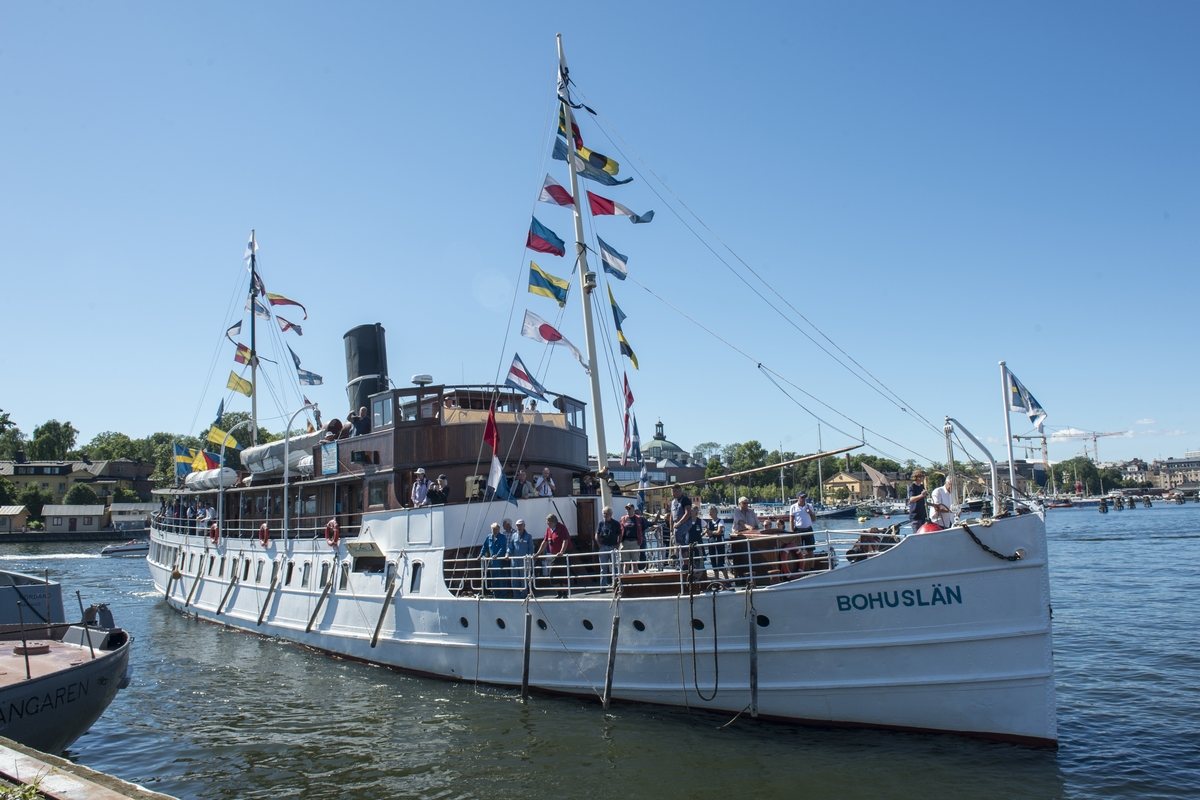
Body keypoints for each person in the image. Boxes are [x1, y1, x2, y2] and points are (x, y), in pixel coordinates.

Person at [534, 513, 574, 595]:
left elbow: (565, 540)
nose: (548, 525)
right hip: (554, 554)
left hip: (563, 554)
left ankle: (565, 593)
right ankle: (558, 592)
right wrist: (538, 553)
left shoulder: (561, 527)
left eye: (549, 523)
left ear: (554, 522)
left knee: (564, 572)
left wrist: (562, 551)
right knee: (553, 572)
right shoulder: (548, 530)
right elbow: (545, 542)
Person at [479, 522, 509, 597]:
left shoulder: (502, 537)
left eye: (496, 529)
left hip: (500, 561)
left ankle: (503, 594)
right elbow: (485, 547)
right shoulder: (489, 537)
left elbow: (503, 547)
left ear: (499, 529)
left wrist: (497, 555)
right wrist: (480, 555)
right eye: (493, 529)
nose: (494, 531)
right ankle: (496, 594)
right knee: (494, 578)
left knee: (501, 578)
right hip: (492, 562)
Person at [508, 519, 535, 595]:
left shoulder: (528, 536)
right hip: (515, 561)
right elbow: (510, 547)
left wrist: (529, 558)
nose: (518, 527)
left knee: (524, 579)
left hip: (524, 561)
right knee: (514, 579)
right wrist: (507, 553)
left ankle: (525, 594)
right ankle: (516, 595)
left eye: (520, 525)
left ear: (524, 526)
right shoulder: (514, 535)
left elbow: (531, 549)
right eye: (517, 526)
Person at [790, 491, 816, 569]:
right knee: (798, 551)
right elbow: (791, 520)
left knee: (810, 551)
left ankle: (812, 568)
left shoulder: (809, 506)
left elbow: (814, 519)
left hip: (808, 530)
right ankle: (799, 568)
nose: (803, 499)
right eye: (801, 497)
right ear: (798, 498)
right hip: (798, 530)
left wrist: (811, 513)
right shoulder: (793, 507)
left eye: (804, 497)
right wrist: (792, 532)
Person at [595, 506, 621, 588]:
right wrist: (598, 544)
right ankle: (603, 586)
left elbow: (620, 534)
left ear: (610, 514)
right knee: (603, 568)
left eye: (606, 513)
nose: (604, 515)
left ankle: (616, 585)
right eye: (603, 513)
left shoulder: (616, 523)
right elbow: (597, 534)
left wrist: (618, 544)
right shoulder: (601, 523)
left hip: (613, 547)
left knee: (615, 567)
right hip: (603, 547)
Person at [619, 502, 644, 574]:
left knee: (634, 563)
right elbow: (619, 529)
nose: (628, 510)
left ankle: (635, 580)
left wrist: (654, 525)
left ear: (633, 509)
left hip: (635, 542)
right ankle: (625, 579)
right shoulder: (623, 519)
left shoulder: (639, 519)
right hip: (625, 542)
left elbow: (645, 526)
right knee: (626, 563)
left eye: (629, 509)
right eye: (626, 509)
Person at [704, 505, 727, 578]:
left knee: (720, 562)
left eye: (711, 512)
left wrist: (711, 532)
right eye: (709, 513)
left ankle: (726, 579)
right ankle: (717, 579)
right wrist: (710, 532)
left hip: (719, 543)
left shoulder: (720, 521)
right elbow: (707, 533)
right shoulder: (709, 523)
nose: (710, 514)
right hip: (711, 543)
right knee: (713, 561)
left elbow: (719, 532)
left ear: (715, 512)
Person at [908, 469, 929, 534]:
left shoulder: (922, 486)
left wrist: (935, 505)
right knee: (917, 534)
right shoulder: (912, 487)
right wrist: (921, 495)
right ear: (918, 477)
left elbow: (923, 500)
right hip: (916, 515)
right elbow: (911, 499)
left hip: (923, 515)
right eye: (923, 476)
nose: (924, 478)